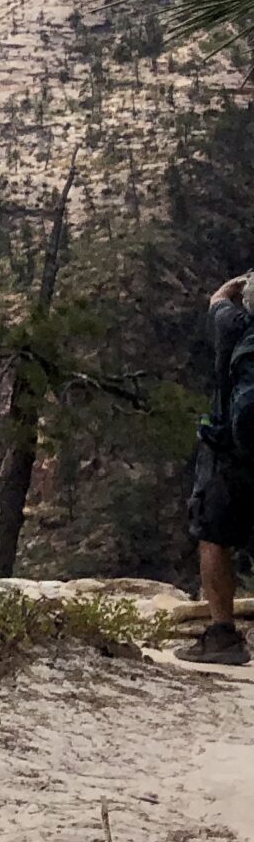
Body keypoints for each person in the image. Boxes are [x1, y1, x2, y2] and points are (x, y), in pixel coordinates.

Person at [181, 274, 254, 665]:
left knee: (213, 535)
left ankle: (222, 634)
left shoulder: (232, 325)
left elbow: (217, 297)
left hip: (228, 450)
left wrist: (240, 282)